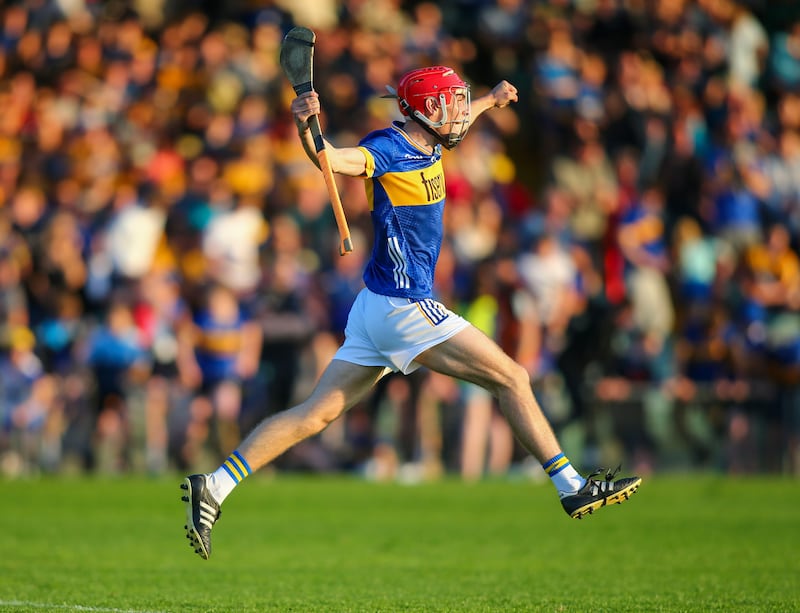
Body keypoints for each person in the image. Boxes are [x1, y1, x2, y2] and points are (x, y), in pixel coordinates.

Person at [181, 65, 642, 559]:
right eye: (453, 103)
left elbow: (461, 124)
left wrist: (490, 99)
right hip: (404, 306)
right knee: (512, 378)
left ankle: (214, 486)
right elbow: (331, 158)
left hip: (375, 307)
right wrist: (303, 124)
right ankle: (571, 485)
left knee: (315, 415)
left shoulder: (433, 139)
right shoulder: (386, 148)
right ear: (426, 112)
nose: (461, 112)